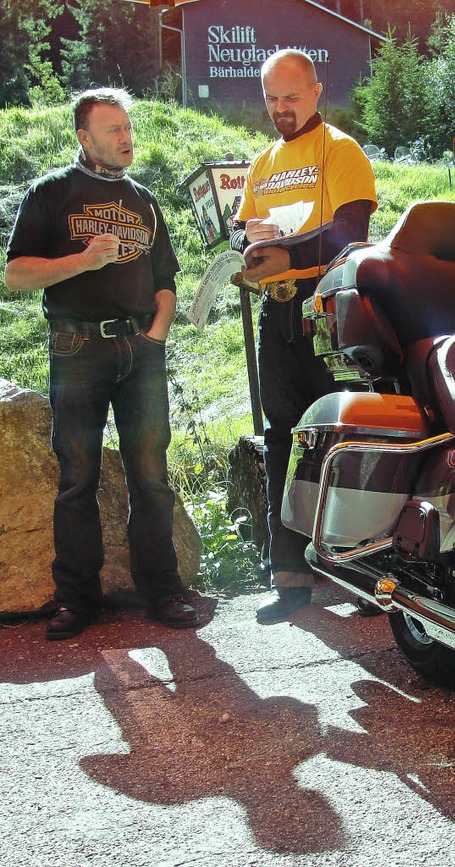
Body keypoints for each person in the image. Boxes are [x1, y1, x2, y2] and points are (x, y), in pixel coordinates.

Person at [4, 87, 198, 640]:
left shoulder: (144, 199)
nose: (126, 137)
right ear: (84, 138)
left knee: (151, 476)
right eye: (112, 130)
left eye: (127, 126)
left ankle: (163, 592)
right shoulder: (51, 193)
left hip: (141, 353)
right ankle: (76, 600)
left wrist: (156, 337)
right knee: (78, 479)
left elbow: (166, 279)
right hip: (76, 349)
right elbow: (15, 274)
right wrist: (81, 261)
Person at [230, 49, 377, 624]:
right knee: (280, 438)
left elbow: (351, 231)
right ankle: (290, 573)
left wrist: (284, 251)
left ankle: (365, 571)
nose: (281, 109)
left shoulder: (341, 151)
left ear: (317, 91)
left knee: (349, 434)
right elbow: (244, 228)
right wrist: (245, 244)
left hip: (331, 310)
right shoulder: (263, 161)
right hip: (278, 313)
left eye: (291, 97)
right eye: (271, 98)